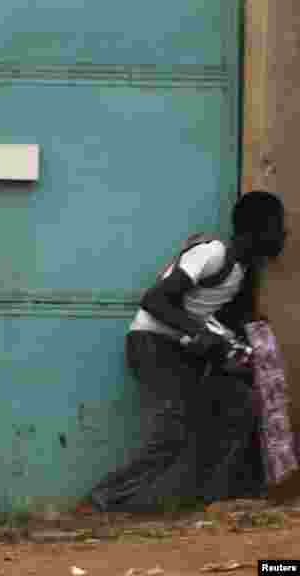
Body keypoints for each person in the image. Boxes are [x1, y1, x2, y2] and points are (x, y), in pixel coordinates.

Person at [78, 190, 287, 514]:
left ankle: (209, 502)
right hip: (151, 344)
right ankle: (100, 501)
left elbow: (210, 319)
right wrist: (200, 333)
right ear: (257, 230)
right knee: (176, 426)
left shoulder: (242, 273)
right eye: (278, 226)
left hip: (182, 351)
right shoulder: (213, 254)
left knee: (241, 404)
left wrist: (236, 351)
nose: (284, 234)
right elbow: (155, 300)